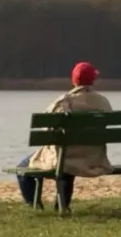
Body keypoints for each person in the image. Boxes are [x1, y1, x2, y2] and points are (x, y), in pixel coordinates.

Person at [15, 61, 114, 208]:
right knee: (68, 161)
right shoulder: (102, 102)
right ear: (93, 80)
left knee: (22, 167)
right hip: (93, 159)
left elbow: (45, 129)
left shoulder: (63, 102)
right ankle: (62, 205)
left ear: (73, 80)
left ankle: (34, 206)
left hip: (65, 159)